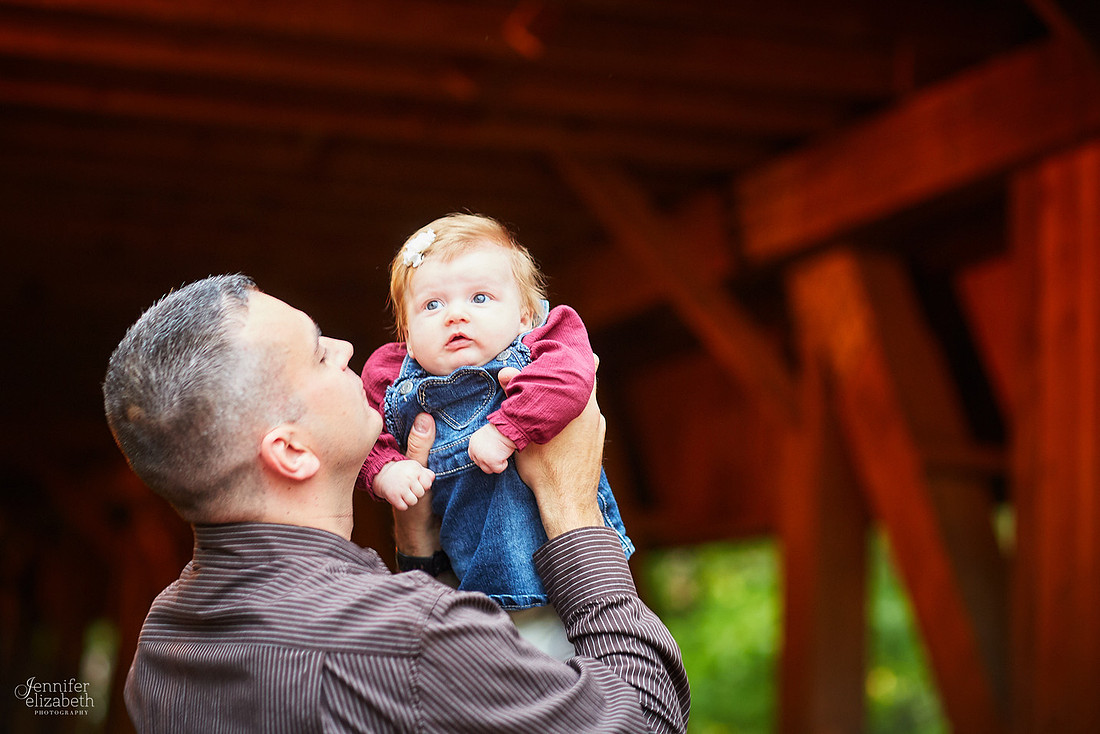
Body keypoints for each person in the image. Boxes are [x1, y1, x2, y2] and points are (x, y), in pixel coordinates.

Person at [103, 274, 689, 733]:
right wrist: (573, 511)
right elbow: (643, 720)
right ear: (290, 450)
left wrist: (418, 553)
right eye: (317, 354)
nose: (345, 348)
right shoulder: (409, 638)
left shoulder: (162, 641)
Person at [359, 214, 633, 651]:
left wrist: (508, 430)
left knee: (576, 669)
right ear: (406, 335)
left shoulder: (544, 347)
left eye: (480, 297)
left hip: (557, 573)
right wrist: (384, 468)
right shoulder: (390, 376)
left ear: (525, 314)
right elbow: (365, 430)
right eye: (432, 305)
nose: (455, 315)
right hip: (462, 577)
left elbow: (571, 380)